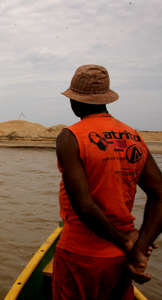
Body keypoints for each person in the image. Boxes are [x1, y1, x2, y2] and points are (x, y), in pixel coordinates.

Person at [52, 64, 162, 300]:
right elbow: (159, 194)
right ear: (105, 100)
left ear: (74, 101)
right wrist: (139, 247)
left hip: (79, 254)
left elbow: (83, 205)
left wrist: (127, 242)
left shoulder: (70, 136)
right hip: (120, 257)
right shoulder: (133, 136)